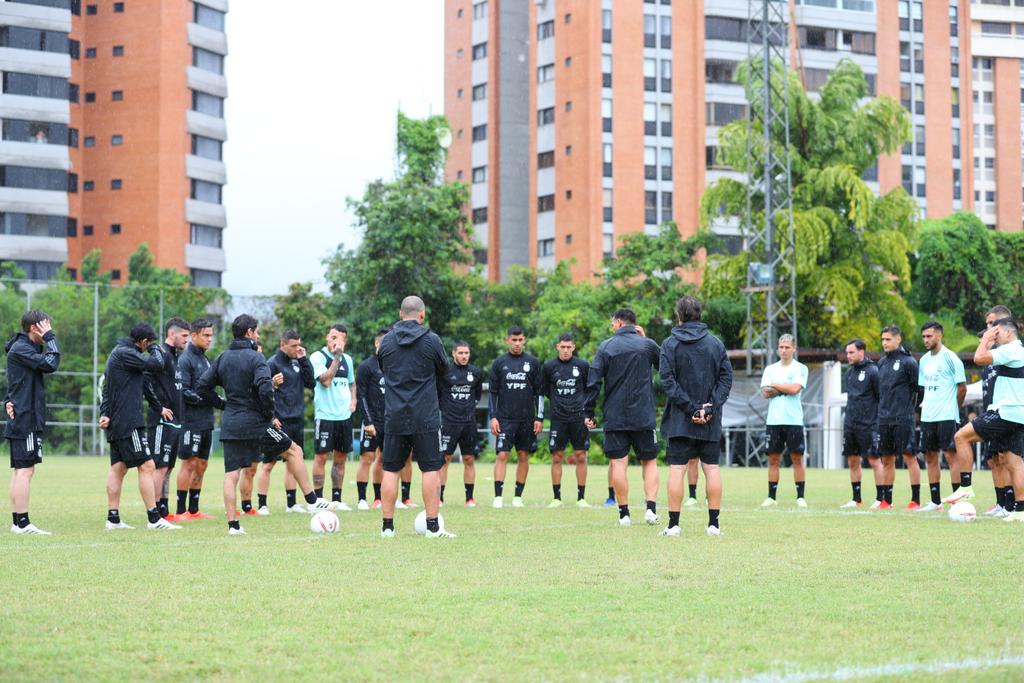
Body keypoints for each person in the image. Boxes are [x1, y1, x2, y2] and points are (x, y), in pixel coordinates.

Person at [196, 314, 328, 534]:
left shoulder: (222, 357)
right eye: (256, 332)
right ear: (249, 332)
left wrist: (223, 404)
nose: (257, 336)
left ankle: (233, 525)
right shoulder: (256, 357)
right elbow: (265, 388)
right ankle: (312, 501)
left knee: (231, 474)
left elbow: (202, 387)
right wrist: (267, 414)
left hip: (232, 423)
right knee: (293, 450)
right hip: (256, 422)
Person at [376, 296, 455, 538]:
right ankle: (433, 527)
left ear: (401, 314)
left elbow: (384, 369)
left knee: (390, 469)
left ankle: (387, 527)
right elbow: (445, 371)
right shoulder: (431, 341)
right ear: (422, 315)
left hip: (395, 416)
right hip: (425, 416)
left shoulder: (386, 342)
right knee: (431, 468)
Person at [658, 296, 731, 537]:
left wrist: (690, 409)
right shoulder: (716, 344)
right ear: (700, 314)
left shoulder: (669, 344)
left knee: (677, 470)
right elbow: (725, 379)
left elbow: (667, 382)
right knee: (711, 469)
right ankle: (714, 525)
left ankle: (674, 525)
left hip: (680, 419)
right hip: (709, 420)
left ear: (679, 315)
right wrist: (709, 408)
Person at [99, 323, 180, 530]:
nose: (150, 347)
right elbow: (157, 364)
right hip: (129, 422)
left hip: (118, 421)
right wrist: (155, 349)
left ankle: (113, 518)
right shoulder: (126, 353)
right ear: (143, 342)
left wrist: (159, 407)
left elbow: (143, 385)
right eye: (149, 344)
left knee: (119, 468)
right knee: (148, 465)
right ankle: (154, 518)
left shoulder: (123, 355)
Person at [585, 308, 661, 526]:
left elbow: (593, 382)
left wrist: (588, 412)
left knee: (618, 462)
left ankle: (624, 514)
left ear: (618, 323)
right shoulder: (647, 345)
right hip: (643, 414)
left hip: (615, 415)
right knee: (649, 460)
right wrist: (647, 341)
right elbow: (666, 368)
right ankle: (651, 509)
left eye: (612, 324)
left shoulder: (606, 346)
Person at [948, 313, 1024, 520]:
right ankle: (1021, 510)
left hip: (1005, 411)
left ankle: (965, 486)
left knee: (961, 437)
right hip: (1018, 414)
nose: (994, 337)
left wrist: (985, 340)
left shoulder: (1010, 349)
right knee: (1013, 461)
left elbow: (978, 358)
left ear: (1009, 332)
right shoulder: (1019, 351)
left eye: (997, 333)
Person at [4, 310, 59, 535]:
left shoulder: (23, 348)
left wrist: (8, 400)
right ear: (34, 328)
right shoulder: (22, 349)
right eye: (45, 326)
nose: (47, 330)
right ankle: (23, 523)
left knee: (22, 470)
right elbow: (51, 364)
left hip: (23, 415)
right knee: (25, 470)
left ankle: (18, 522)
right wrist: (51, 339)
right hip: (26, 417)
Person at [257, 329, 315, 514]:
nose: (297, 348)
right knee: (268, 464)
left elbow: (310, 383)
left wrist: (304, 359)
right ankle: (262, 504)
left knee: (294, 460)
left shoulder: (298, 362)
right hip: (278, 421)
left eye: (299, 345)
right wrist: (272, 417)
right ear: (282, 345)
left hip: (296, 419)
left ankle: (291, 504)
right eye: (293, 346)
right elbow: (263, 392)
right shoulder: (272, 363)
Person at [489, 325, 543, 508]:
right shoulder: (499, 363)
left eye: (520, 340)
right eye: (514, 340)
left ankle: (518, 497)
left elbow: (539, 393)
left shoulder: (533, 363)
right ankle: (498, 497)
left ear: (525, 340)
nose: (517, 343)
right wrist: (493, 416)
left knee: (523, 456)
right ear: (507, 340)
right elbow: (492, 393)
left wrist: (539, 417)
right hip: (505, 419)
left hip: (527, 419)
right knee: (502, 455)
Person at [175, 318, 224, 520]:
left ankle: (194, 510)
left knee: (202, 464)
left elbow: (211, 390)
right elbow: (183, 390)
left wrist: (224, 403)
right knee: (189, 463)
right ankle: (180, 510)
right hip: (190, 421)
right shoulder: (185, 360)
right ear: (194, 336)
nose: (210, 339)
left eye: (211, 335)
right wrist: (201, 398)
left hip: (206, 420)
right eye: (206, 335)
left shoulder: (206, 360)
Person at [918, 321, 966, 507]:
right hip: (928, 416)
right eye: (924, 337)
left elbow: (962, 388)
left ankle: (957, 501)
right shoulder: (923, 360)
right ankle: (935, 501)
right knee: (930, 457)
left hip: (946, 416)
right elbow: (924, 390)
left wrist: (954, 407)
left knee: (951, 457)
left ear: (939, 335)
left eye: (929, 336)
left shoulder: (951, 358)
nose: (926, 340)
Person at [976, 307, 1019, 516]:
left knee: (1008, 459)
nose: (988, 329)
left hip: (1007, 413)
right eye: (987, 325)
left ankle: (1011, 504)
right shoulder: (994, 351)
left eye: (992, 324)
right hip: (992, 411)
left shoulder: (1011, 351)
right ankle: (1002, 503)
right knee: (994, 459)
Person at [146, 318, 189, 521]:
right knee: (159, 466)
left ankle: (164, 510)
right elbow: (145, 382)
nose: (186, 340)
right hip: (161, 420)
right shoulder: (160, 355)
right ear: (172, 334)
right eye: (184, 336)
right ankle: (154, 513)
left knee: (168, 467)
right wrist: (159, 407)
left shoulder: (174, 357)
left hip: (175, 420)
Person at [540, 334, 591, 508]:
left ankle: (581, 498)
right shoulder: (549, 367)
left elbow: (588, 390)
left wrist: (588, 414)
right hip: (558, 418)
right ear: (557, 347)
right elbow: (545, 391)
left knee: (581, 456)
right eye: (563, 347)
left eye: (569, 347)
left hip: (578, 418)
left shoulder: (583, 366)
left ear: (574, 347)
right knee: (557, 457)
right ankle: (556, 498)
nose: (566, 350)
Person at [310, 324, 356, 511]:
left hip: (344, 416)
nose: (336, 341)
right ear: (326, 338)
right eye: (333, 337)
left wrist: (353, 400)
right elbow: (326, 381)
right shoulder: (317, 357)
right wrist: (337, 356)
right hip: (325, 415)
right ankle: (318, 500)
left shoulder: (349, 360)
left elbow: (352, 383)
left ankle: (336, 498)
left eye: (340, 338)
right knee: (321, 457)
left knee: (341, 459)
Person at [759, 334, 809, 508]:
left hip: (794, 420)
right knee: (773, 459)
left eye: (787, 347)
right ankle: (771, 497)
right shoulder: (770, 369)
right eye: (781, 347)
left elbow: (795, 389)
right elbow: (765, 392)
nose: (784, 350)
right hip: (773, 421)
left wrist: (776, 385)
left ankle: (800, 497)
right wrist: (783, 388)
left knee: (797, 458)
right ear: (777, 348)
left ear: (794, 348)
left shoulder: (801, 368)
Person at [876, 325, 923, 510]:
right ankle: (886, 500)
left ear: (898, 339)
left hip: (903, 418)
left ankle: (915, 500)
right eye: (883, 340)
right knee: (887, 459)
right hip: (884, 418)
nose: (884, 343)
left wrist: (912, 410)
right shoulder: (881, 363)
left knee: (909, 457)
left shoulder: (909, 362)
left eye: (888, 339)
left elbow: (918, 390)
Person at [439, 340, 483, 507]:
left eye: (466, 353)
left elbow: (477, 395)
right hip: (449, 423)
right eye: (461, 353)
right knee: (445, 459)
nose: (464, 356)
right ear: (453, 354)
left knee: (469, 459)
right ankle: (440, 498)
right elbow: (437, 395)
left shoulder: (476, 373)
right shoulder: (445, 372)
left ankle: (469, 498)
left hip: (468, 424)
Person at [840, 338, 880, 509]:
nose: (848, 356)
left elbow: (880, 398)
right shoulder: (849, 373)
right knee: (852, 460)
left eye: (851, 352)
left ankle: (881, 498)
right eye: (847, 352)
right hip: (851, 424)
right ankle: (856, 499)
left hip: (869, 424)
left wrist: (877, 422)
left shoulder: (873, 371)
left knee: (874, 460)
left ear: (861, 352)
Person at [355, 329, 388, 510]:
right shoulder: (366, 366)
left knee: (384, 460)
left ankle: (378, 498)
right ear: (377, 344)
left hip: (389, 422)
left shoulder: (393, 365)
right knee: (366, 458)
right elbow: (361, 395)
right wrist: (368, 421)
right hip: (371, 421)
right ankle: (361, 499)